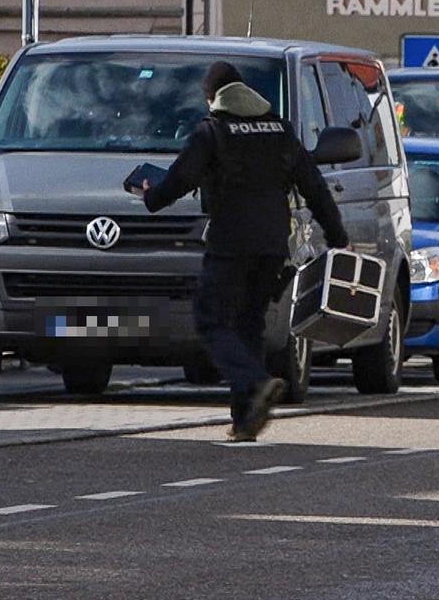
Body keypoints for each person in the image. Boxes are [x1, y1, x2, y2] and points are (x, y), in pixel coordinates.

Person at [137, 62, 349, 442]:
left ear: (213, 97)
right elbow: (314, 186)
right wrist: (337, 236)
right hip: (272, 246)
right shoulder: (280, 131)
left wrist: (151, 195)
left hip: (230, 243)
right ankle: (245, 419)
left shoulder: (212, 131)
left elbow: (180, 179)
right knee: (249, 322)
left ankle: (255, 380)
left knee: (211, 318)